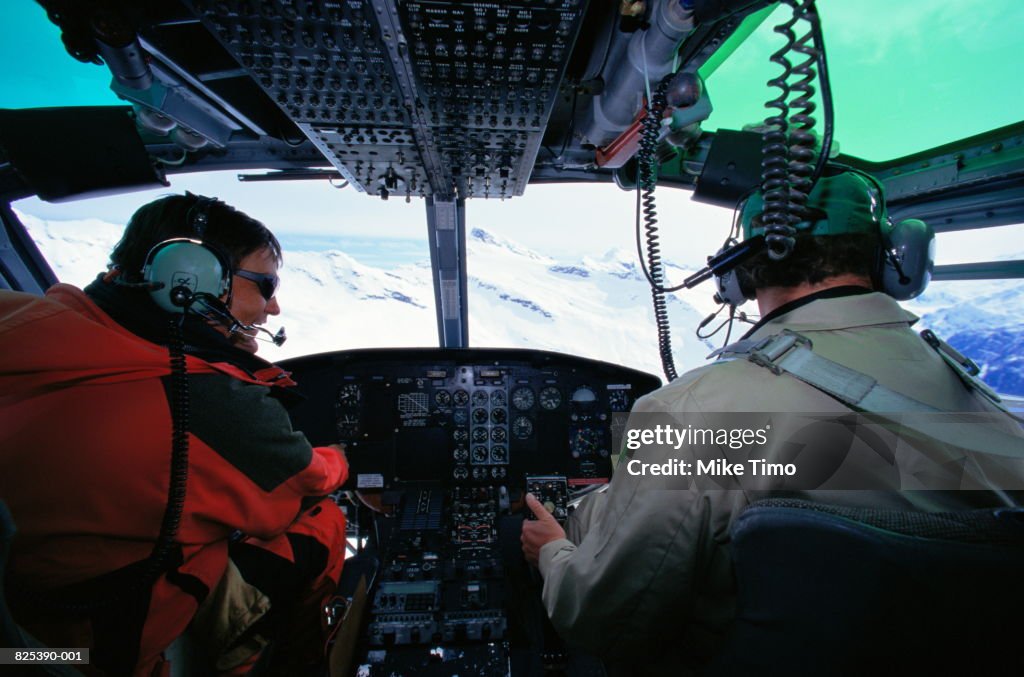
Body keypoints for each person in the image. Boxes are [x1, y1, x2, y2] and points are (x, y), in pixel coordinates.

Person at [521, 171, 1024, 674]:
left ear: (739, 274)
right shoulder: (991, 407)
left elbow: (605, 620)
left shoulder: (685, 412)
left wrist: (554, 553)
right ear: (899, 261)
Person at [0, 194, 349, 675]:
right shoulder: (203, 397)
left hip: (20, 643)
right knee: (320, 521)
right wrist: (347, 461)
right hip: (92, 652)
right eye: (264, 286)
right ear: (192, 278)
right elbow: (301, 482)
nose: (272, 307)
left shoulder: (20, 320)